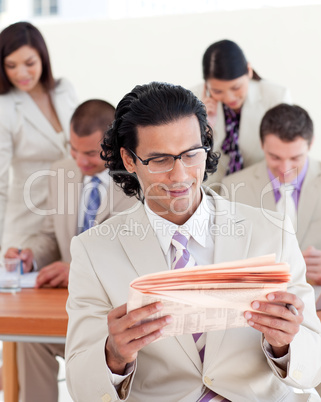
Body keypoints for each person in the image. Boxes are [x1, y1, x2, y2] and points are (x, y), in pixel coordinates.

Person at [65, 82, 321, 402]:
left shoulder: (272, 231)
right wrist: (114, 356)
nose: (180, 176)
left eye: (190, 154)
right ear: (129, 161)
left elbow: (314, 366)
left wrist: (285, 344)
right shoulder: (93, 251)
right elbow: (80, 386)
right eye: (159, 160)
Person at [5, 99, 137, 402]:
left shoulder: (137, 183)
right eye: (73, 149)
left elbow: (131, 255)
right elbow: (51, 236)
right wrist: (31, 255)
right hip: (65, 307)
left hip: (113, 317)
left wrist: (76, 269)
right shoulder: (60, 172)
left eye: (90, 153)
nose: (79, 160)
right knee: (30, 340)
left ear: (114, 145)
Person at [221, 104, 321, 288]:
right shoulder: (234, 188)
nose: (285, 169)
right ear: (262, 145)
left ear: (311, 143)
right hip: (259, 304)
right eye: (275, 157)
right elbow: (225, 262)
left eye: (295, 158)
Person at [0, 21, 78, 253]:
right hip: (28, 223)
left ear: (43, 58)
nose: (21, 73)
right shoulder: (4, 107)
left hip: (68, 218)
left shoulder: (64, 89)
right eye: (11, 66)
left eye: (29, 63)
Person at [193, 39, 291, 188]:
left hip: (261, 188)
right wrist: (204, 127)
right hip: (212, 189)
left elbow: (283, 153)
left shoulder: (275, 97)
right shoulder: (195, 99)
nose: (229, 98)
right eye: (218, 91)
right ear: (206, 84)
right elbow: (191, 158)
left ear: (249, 70)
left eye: (236, 87)